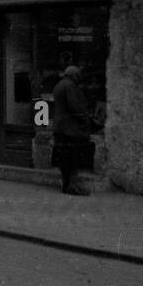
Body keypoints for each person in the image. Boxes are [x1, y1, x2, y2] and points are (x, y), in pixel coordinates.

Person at [52, 64, 93, 196]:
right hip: (70, 129)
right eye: (78, 75)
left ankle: (66, 185)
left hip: (60, 128)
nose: (79, 78)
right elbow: (75, 107)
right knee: (73, 159)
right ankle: (72, 186)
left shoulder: (60, 85)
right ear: (74, 75)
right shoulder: (70, 86)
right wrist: (86, 119)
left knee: (64, 159)